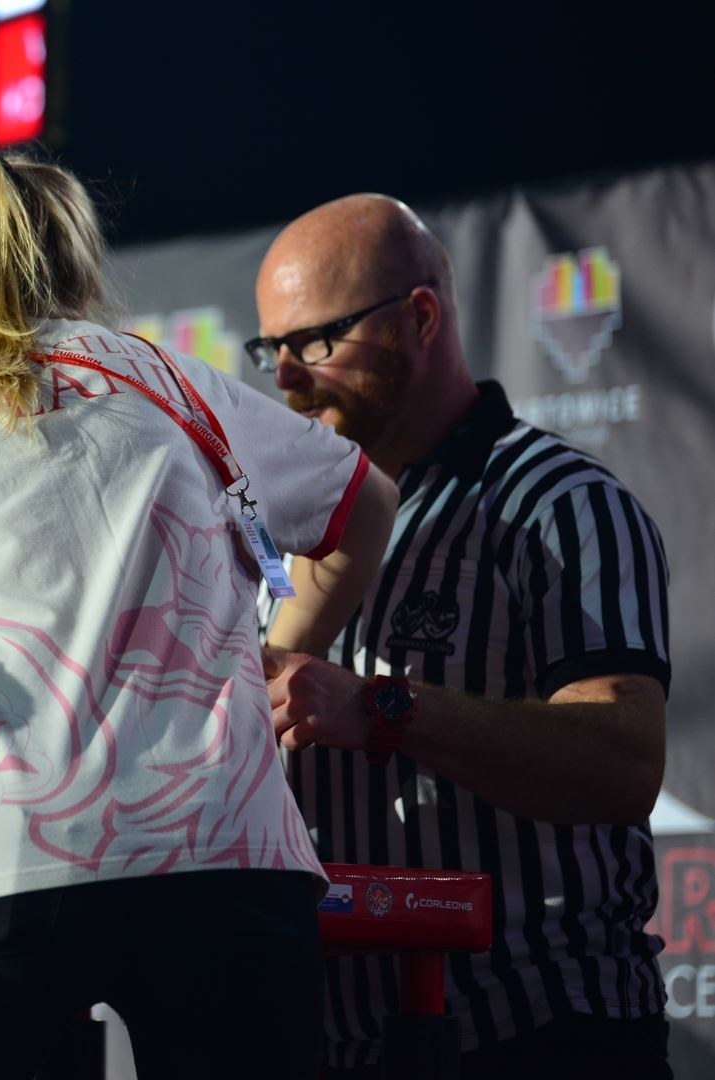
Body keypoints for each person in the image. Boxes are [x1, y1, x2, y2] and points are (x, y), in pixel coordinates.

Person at [0, 152, 399, 1079]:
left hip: (1, 867)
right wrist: (279, 657)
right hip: (227, 855)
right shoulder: (170, 382)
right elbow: (365, 507)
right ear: (80, 267)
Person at [249, 194, 672, 1077]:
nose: (285, 378)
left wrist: (381, 708)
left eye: (315, 341)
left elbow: (624, 763)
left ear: (421, 318)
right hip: (342, 1045)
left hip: (541, 1034)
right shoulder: (279, 529)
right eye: (271, 349)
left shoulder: (559, 503)